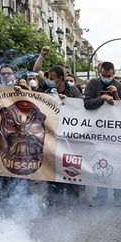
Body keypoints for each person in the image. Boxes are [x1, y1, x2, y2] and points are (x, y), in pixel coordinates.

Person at [84, 61, 121, 206]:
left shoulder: (118, 84)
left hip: (116, 132)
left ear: (113, 74)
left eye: (109, 75)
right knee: (101, 163)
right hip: (99, 131)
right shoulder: (93, 84)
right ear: (99, 72)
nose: (106, 78)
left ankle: (119, 196)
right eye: (104, 75)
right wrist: (102, 98)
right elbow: (87, 104)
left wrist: (115, 94)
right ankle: (101, 197)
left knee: (118, 163)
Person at [42, 66, 83, 205]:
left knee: (71, 164)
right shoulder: (47, 90)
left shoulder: (73, 91)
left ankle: (73, 197)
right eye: (48, 78)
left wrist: (68, 102)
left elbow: (81, 108)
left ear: (60, 79)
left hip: (69, 136)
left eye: (52, 79)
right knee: (53, 164)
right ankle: (53, 197)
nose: (49, 81)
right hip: (52, 134)